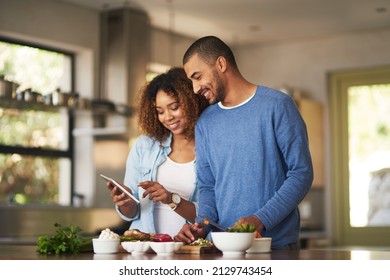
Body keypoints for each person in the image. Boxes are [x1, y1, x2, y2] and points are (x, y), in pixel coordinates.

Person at [174, 36, 314, 249]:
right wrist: (201, 224)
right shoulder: (205, 123)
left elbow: (301, 173)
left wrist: (260, 220)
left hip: (275, 247)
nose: (195, 89)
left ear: (221, 64)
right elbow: (208, 185)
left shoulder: (277, 106)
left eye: (197, 76)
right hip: (223, 249)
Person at [106, 67, 209, 237]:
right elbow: (133, 212)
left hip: (188, 249)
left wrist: (171, 198)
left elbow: (209, 217)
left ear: (192, 102)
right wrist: (125, 202)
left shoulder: (211, 148)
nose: (167, 117)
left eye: (174, 107)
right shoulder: (144, 146)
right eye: (160, 111)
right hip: (146, 250)